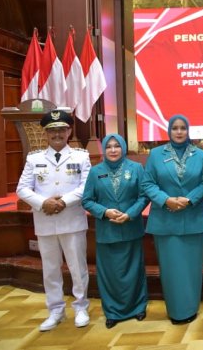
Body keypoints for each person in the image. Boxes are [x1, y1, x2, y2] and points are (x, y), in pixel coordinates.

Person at [16, 110, 91, 331]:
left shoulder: (81, 156)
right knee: (50, 269)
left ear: (69, 131)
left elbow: (85, 187)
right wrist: (43, 203)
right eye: (52, 130)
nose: (57, 134)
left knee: (78, 267)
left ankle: (80, 307)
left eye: (61, 129)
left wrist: (62, 202)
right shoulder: (34, 159)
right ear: (46, 133)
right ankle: (55, 310)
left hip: (72, 221)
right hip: (45, 222)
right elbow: (22, 189)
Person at [141, 114, 203, 324]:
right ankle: (176, 311)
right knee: (171, 270)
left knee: (191, 269)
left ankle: (191, 308)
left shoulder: (201, 155)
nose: (179, 132)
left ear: (188, 131)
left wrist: (189, 200)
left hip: (193, 218)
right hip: (165, 220)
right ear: (169, 131)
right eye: (175, 128)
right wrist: (166, 200)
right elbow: (147, 184)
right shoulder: (155, 154)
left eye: (183, 128)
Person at [82, 134, 149, 328]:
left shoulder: (136, 168)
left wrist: (130, 214)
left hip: (131, 227)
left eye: (117, 146)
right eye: (109, 146)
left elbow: (144, 196)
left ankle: (138, 307)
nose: (113, 150)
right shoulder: (95, 172)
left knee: (134, 271)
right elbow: (87, 200)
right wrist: (105, 212)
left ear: (123, 148)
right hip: (107, 231)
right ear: (103, 149)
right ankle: (112, 312)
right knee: (109, 274)